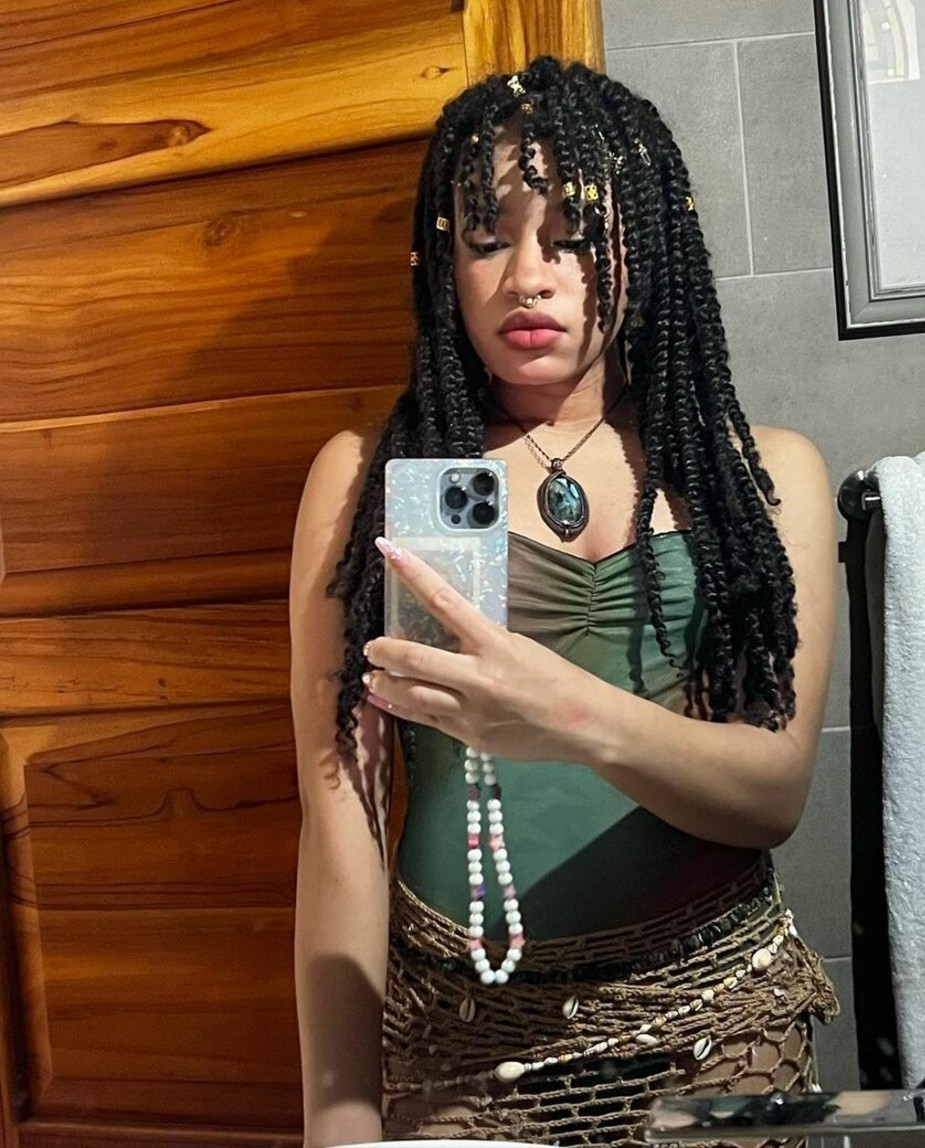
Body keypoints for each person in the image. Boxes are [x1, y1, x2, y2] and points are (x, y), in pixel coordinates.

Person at [290, 56, 839, 1148]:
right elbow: (341, 810)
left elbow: (772, 792)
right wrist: (336, 1115)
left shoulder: (758, 475)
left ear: (647, 243)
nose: (529, 277)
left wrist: (558, 712)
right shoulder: (367, 482)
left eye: (576, 234)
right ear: (444, 262)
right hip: (458, 1038)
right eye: (487, 236)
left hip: (717, 1023)